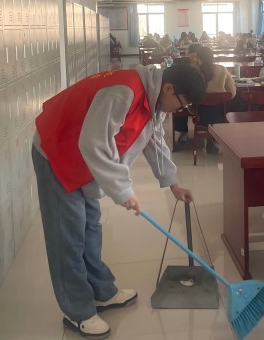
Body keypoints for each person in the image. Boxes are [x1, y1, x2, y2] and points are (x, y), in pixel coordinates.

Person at [32, 65, 206, 338]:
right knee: (68, 237)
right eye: (182, 104)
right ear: (169, 88)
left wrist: (173, 184)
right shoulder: (124, 92)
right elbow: (94, 143)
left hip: (83, 160)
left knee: (90, 228)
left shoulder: (153, 99)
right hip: (57, 152)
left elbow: (153, 139)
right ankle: (77, 311)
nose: (180, 110)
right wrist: (124, 191)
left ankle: (101, 291)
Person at [173, 46, 236, 153]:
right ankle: (213, 137)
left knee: (183, 103)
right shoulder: (222, 69)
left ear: (199, 58)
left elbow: (187, 92)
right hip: (220, 113)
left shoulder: (193, 71)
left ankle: (184, 134)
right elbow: (232, 93)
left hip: (200, 113)